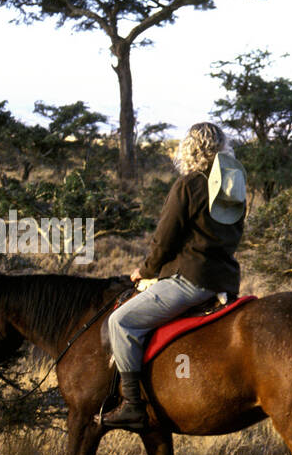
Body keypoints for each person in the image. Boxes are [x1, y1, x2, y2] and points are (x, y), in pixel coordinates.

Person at [103, 122, 247, 430]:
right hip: (223, 280)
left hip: (190, 280)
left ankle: (131, 404)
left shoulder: (189, 185)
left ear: (190, 149)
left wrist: (146, 270)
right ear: (222, 149)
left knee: (120, 322)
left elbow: (165, 238)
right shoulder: (231, 187)